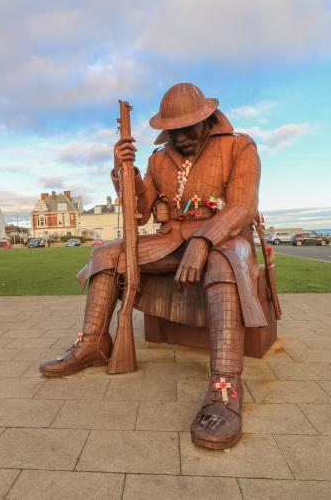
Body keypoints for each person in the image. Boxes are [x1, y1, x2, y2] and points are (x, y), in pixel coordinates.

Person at [40, 82, 268, 450]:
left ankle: (225, 385)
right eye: (174, 130)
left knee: (224, 265)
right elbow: (141, 210)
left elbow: (242, 205)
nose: (181, 137)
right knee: (105, 255)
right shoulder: (158, 159)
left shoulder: (239, 145)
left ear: (207, 118)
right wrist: (122, 170)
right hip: (171, 240)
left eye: (188, 128)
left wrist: (203, 240)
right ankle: (92, 344)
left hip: (225, 240)